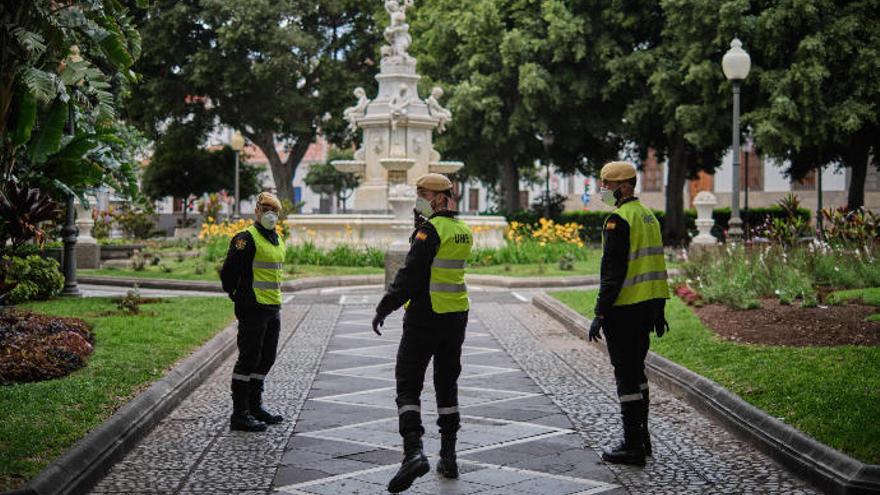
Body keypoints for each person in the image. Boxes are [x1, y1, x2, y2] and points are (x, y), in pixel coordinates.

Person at [372, 173, 473, 493]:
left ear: (442, 198)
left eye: (424, 194)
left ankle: (413, 452)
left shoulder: (430, 231)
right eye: (417, 193)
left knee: (408, 383)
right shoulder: (462, 230)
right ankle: (449, 455)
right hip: (456, 316)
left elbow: (410, 275)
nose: (419, 199)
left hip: (425, 317)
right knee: (447, 384)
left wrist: (385, 306)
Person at [588, 161, 669, 466]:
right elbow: (657, 267)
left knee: (625, 376)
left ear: (623, 187)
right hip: (647, 309)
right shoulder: (649, 217)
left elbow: (612, 274)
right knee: (638, 372)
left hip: (624, 311)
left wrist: (600, 313)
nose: (603, 191)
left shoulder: (618, 221)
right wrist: (659, 309)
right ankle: (644, 438)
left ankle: (632, 445)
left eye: (606, 186)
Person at [220, 192, 287, 432]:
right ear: (257, 211)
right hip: (252, 307)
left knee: (266, 358)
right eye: (266, 208)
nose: (271, 214)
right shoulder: (245, 239)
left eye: (275, 210)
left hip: (272, 305)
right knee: (248, 359)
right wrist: (236, 295)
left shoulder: (276, 238)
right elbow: (228, 272)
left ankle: (255, 406)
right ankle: (240, 414)